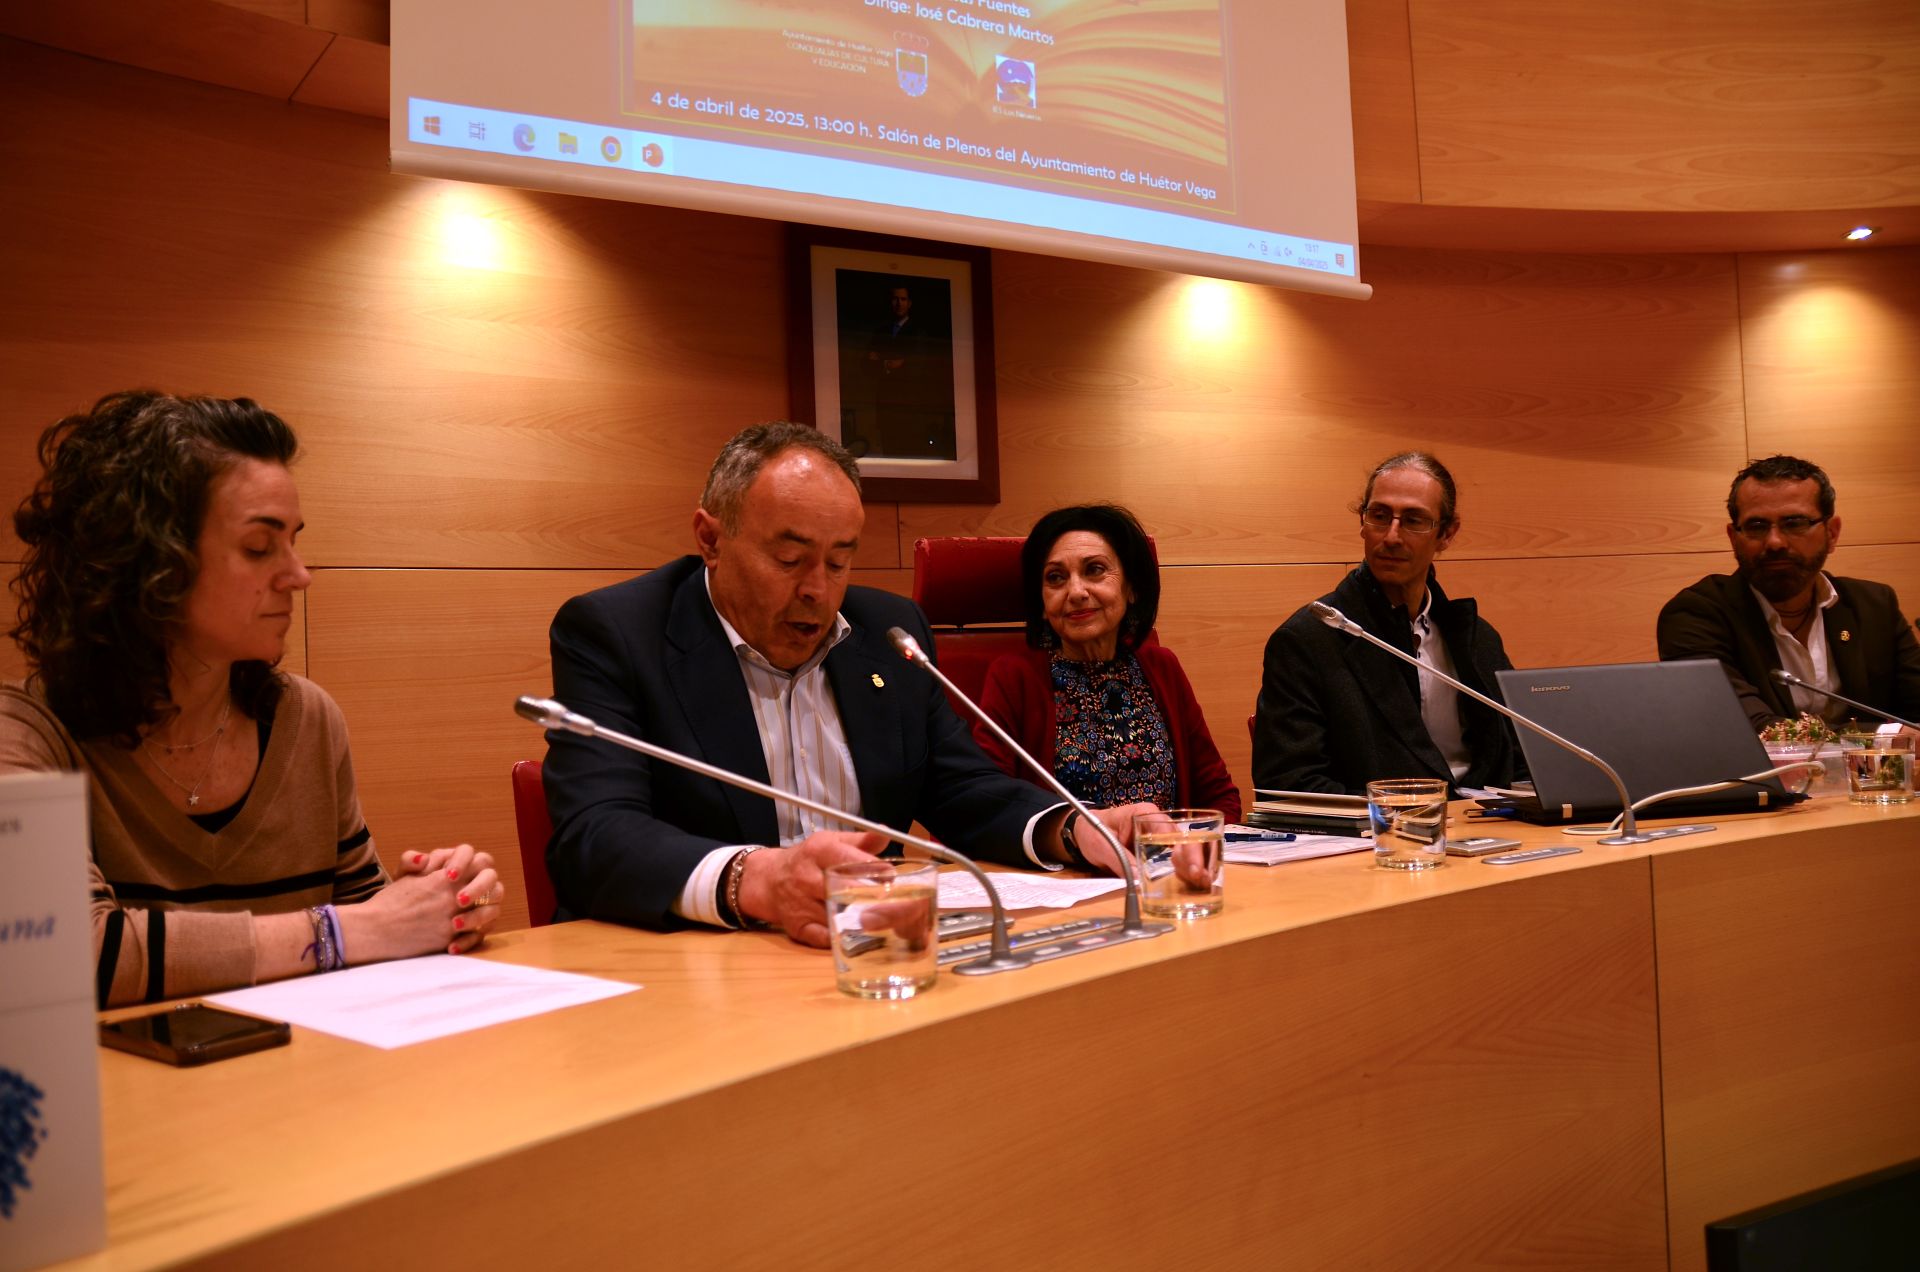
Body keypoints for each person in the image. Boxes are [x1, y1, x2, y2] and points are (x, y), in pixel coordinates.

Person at [541, 422, 1149, 948]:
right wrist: (759, 881)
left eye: (839, 561)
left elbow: (962, 789)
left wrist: (1071, 828)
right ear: (711, 540)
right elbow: (594, 837)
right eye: (790, 560)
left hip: (867, 955)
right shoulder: (619, 633)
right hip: (688, 968)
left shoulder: (886, 631)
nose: (818, 590)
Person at [0, 391, 502, 1008]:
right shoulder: (26, 734)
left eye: (293, 541)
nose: (298, 575)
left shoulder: (305, 719)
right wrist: (354, 931)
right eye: (260, 548)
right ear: (150, 561)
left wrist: (435, 904)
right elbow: (70, 955)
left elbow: (365, 922)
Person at [1253, 451, 1527, 795]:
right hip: (1381, 837)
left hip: (1491, 833)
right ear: (1362, 523)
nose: (1392, 536)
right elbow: (1289, 782)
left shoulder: (1477, 640)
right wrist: (1401, 818)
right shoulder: (1308, 641)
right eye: (1379, 516)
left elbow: (1522, 760)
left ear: (1446, 534)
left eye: (1413, 521)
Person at [975, 504, 1241, 822]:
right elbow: (985, 805)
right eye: (1056, 578)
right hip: (1063, 867)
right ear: (1042, 604)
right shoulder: (1014, 677)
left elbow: (1218, 797)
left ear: (1131, 588)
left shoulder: (1161, 667)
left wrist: (1194, 850)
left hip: (1165, 862)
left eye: (1095, 570)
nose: (1076, 591)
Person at [1657, 454, 1920, 735]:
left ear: (1832, 533)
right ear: (1734, 538)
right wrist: (1885, 736)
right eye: (1757, 526)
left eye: (1794, 523)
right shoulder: (1694, 615)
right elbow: (1749, 729)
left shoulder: (1875, 605)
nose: (1775, 542)